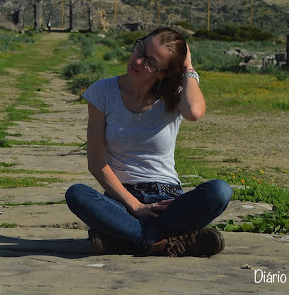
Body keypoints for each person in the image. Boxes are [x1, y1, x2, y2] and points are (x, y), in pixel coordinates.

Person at [65, 27, 232, 257]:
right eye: (140, 49)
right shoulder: (102, 92)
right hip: (122, 202)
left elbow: (194, 112)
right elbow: (96, 162)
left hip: (168, 203)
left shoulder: (175, 94)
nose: (138, 60)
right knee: (77, 194)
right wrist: (136, 206)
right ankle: (170, 241)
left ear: (163, 73)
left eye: (151, 62)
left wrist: (188, 68)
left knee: (220, 191)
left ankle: (124, 239)